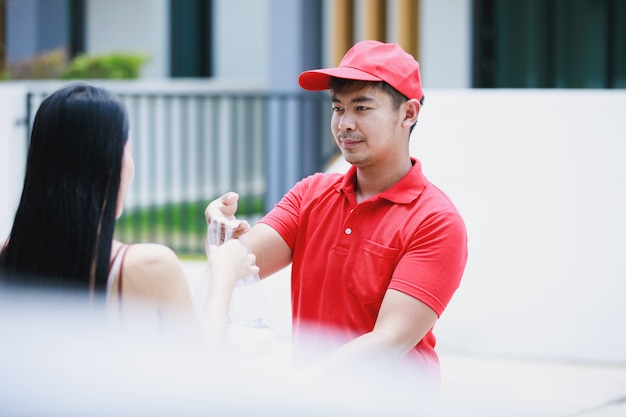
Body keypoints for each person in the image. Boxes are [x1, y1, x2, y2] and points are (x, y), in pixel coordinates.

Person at [205, 40, 468, 384]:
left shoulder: (435, 221)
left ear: (408, 113)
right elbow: (243, 264)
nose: (344, 124)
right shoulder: (310, 194)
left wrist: (296, 389)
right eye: (338, 107)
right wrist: (222, 234)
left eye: (361, 108)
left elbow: (388, 340)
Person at [0, 83, 258, 348]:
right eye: (128, 149)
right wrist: (224, 273)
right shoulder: (147, 266)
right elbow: (202, 366)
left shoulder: (8, 256)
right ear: (110, 166)